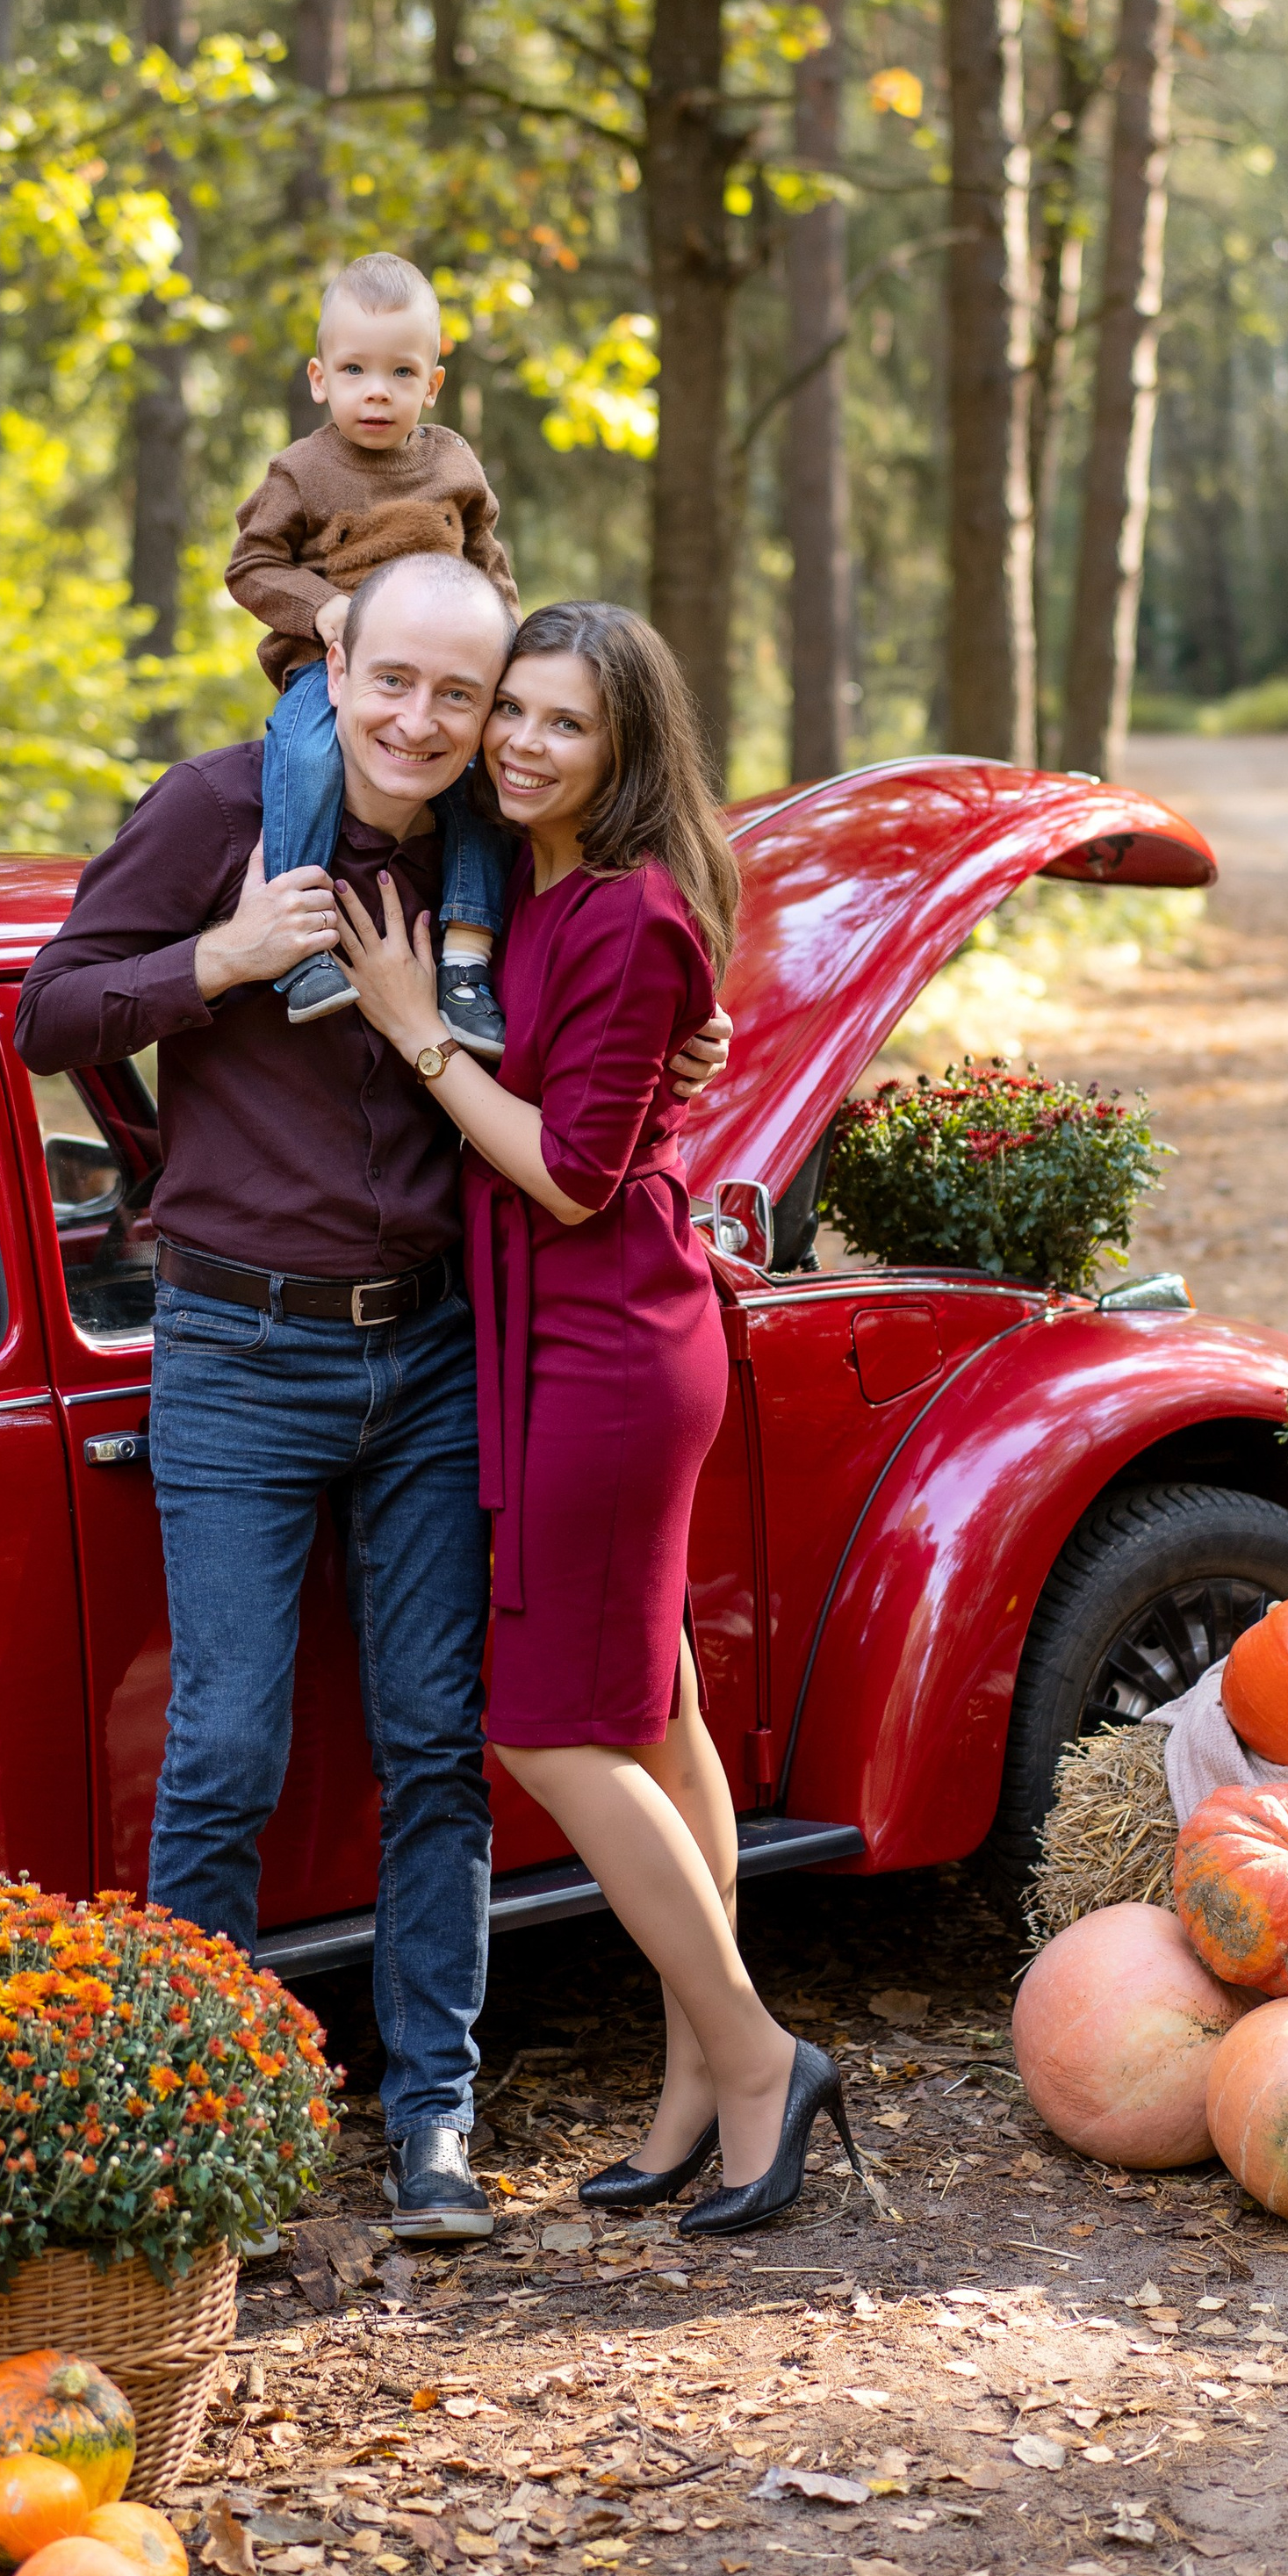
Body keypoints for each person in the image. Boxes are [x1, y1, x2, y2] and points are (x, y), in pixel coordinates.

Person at [12, 554, 730, 2241]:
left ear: (494, 718)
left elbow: (619, 1038)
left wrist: (695, 1052)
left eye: (461, 698)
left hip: (430, 1352)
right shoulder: (223, 810)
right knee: (227, 1748)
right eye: (391, 680)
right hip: (239, 1355)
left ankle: (432, 2129)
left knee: (434, 1750)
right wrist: (221, 954)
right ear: (331, 657)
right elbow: (53, 1010)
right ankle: (197, 2136)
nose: (423, 721)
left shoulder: (503, 857)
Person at [334, 602, 862, 2236]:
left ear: (628, 745)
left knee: (545, 1729)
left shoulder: (628, 916)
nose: (521, 743)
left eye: (564, 722)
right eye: (516, 714)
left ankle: (761, 2055)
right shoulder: (542, 895)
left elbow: (568, 1172)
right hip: (565, 1338)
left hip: (611, 1352)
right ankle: (706, 2075)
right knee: (652, 1712)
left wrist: (415, 1032)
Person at [227, 251, 517, 1056]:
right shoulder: (304, 470)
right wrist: (327, 613)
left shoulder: (453, 463)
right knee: (306, 759)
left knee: (479, 788)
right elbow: (250, 567)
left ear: (433, 384)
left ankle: (465, 962)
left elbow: (490, 562)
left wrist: (510, 648)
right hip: (332, 671)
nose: (377, 390)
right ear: (321, 378)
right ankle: (303, 946)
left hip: (444, 671)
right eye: (355, 370)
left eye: (400, 372)